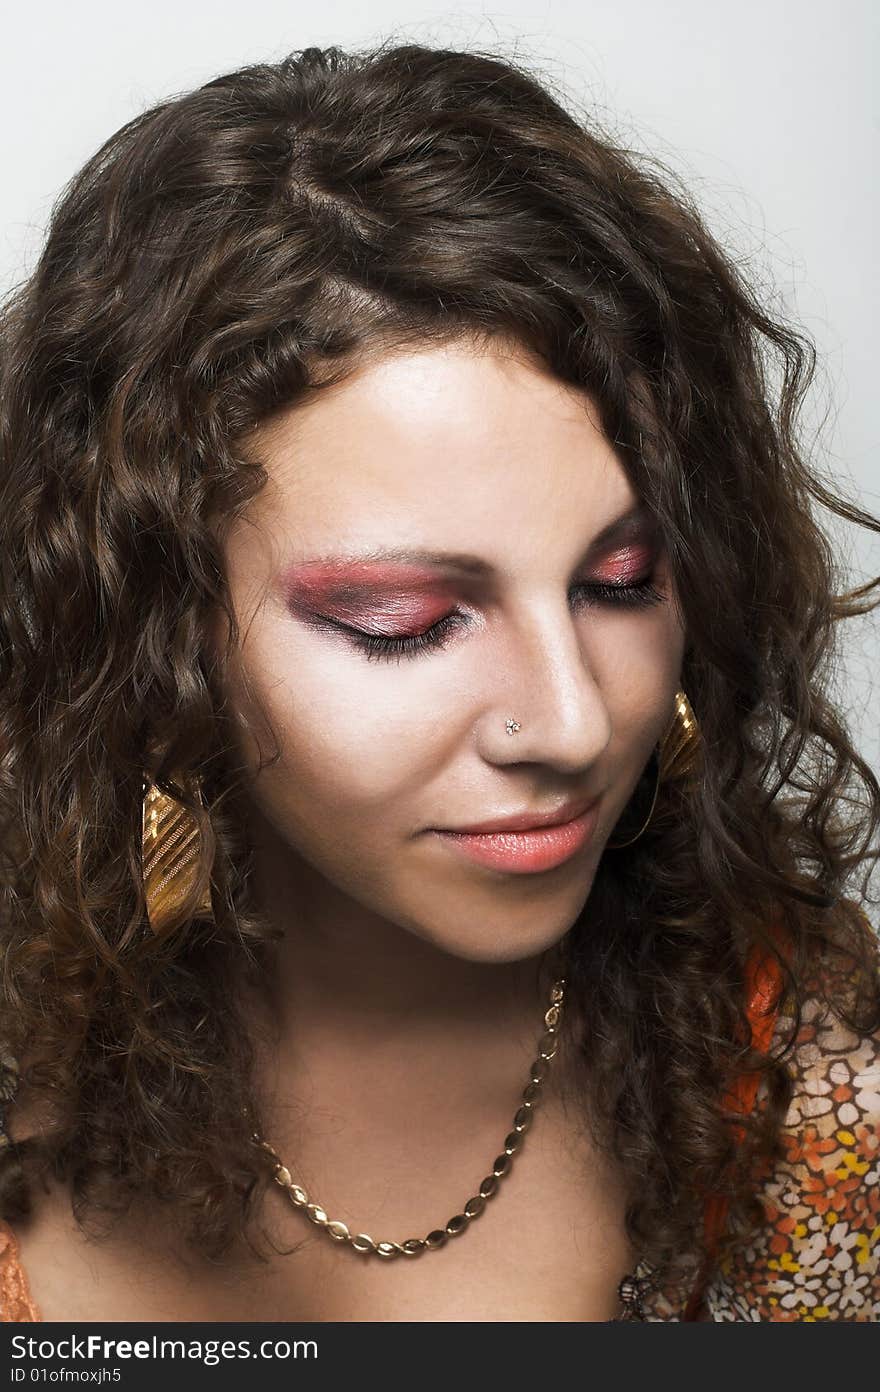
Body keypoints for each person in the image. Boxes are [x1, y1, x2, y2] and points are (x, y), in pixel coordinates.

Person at [0, 40, 878, 1325]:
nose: (573, 720)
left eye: (620, 581)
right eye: (405, 620)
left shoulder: (819, 1100)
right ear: (151, 636)